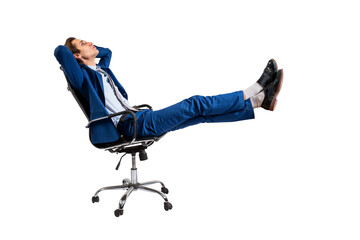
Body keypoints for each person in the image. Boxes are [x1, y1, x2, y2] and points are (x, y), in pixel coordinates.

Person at [54, 38, 283, 145]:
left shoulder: (102, 69)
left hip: (137, 117)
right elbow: (60, 53)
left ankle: (259, 101)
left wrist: (86, 51)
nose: (91, 42)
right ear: (75, 56)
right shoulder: (82, 78)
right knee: (195, 104)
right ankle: (257, 88)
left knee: (199, 115)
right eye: (84, 43)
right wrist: (69, 48)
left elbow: (107, 51)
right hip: (130, 125)